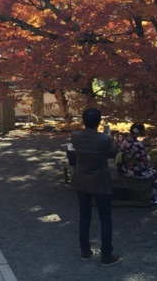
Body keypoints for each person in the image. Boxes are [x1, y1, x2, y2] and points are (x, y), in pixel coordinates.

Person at [70, 108, 121, 266]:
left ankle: (85, 251)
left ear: (83, 120)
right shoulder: (104, 139)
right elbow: (113, 153)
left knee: (84, 216)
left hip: (82, 180)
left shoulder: (75, 136)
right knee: (105, 219)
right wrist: (112, 140)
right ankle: (106, 255)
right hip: (100, 181)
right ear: (99, 121)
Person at [116, 123, 157, 205]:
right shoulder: (138, 145)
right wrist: (148, 166)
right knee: (156, 175)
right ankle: (155, 198)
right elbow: (144, 160)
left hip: (122, 168)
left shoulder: (123, 140)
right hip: (132, 170)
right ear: (138, 132)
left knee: (151, 172)